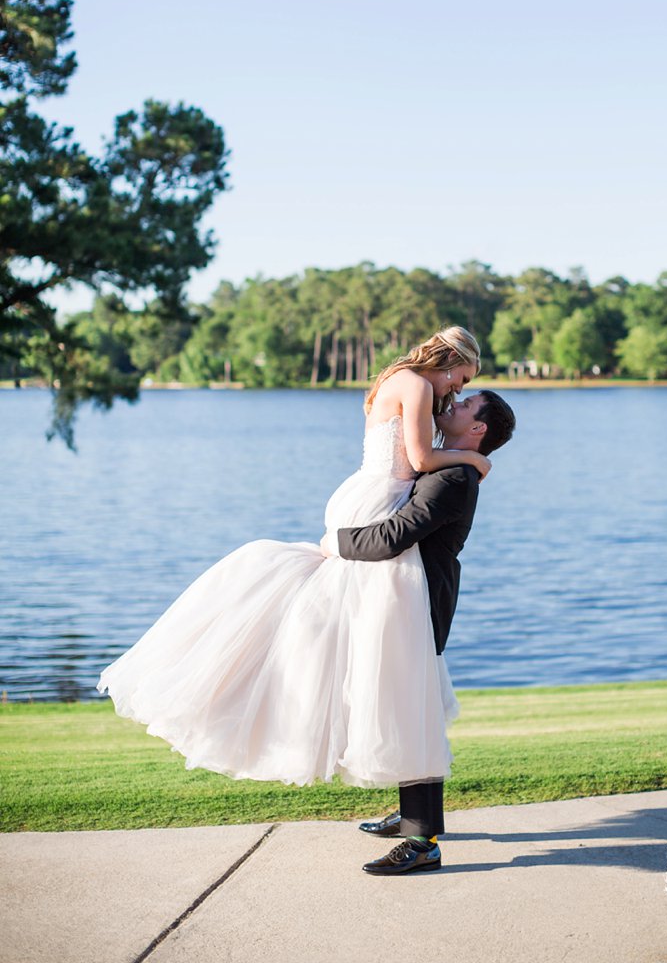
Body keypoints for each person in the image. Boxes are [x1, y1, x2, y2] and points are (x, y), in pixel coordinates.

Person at [97, 327, 488, 791]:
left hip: (364, 491)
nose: (456, 390)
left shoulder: (401, 378)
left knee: (345, 630)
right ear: (449, 360)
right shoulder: (419, 384)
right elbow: (422, 459)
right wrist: (472, 459)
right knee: (377, 627)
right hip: (380, 497)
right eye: (461, 379)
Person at [322, 389, 516, 875]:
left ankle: (422, 840)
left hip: (418, 603)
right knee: (406, 709)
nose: (455, 402)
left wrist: (335, 544)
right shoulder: (451, 464)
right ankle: (412, 815)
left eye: (467, 403)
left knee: (414, 714)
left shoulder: (454, 477)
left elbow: (395, 536)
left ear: (479, 429)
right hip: (401, 601)